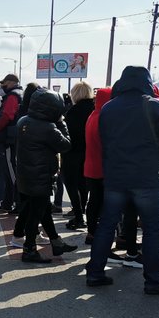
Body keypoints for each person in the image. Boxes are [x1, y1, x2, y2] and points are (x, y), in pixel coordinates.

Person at [84, 66, 159, 294]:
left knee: (107, 225)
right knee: (152, 230)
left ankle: (95, 272)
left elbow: (105, 141)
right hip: (146, 176)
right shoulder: (154, 105)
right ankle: (153, 281)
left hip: (115, 176)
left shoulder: (108, 107)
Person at [15, 88, 78, 263]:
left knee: (42, 212)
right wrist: (61, 123)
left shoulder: (23, 121)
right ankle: (29, 249)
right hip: (41, 176)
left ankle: (56, 242)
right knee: (36, 214)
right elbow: (66, 145)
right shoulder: (48, 127)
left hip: (27, 174)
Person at [61, 82, 94, 230]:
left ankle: (79, 215)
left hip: (73, 153)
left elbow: (68, 134)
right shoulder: (94, 109)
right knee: (84, 185)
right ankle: (84, 212)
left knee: (71, 183)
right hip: (90, 152)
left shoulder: (73, 112)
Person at [0, 74, 23, 212]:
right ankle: (7, 202)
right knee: (8, 172)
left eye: (5, 83)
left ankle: (18, 202)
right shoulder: (18, 94)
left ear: (12, 83)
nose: (2, 86)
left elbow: (7, 115)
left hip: (8, 139)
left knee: (11, 172)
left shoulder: (13, 96)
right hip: (13, 138)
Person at [82, 87, 111, 245]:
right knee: (103, 203)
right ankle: (97, 233)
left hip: (91, 165)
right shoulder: (105, 117)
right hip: (103, 167)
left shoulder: (93, 115)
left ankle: (91, 232)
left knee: (93, 201)